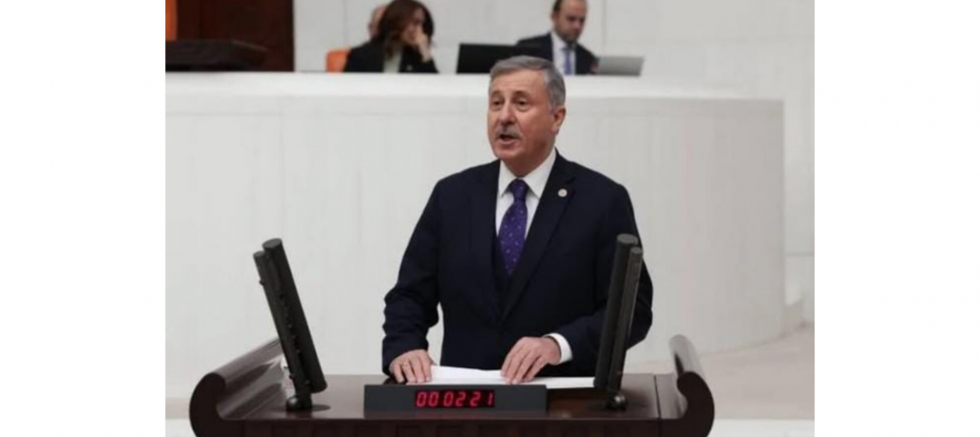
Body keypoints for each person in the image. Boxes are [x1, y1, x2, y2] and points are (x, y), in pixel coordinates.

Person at [382, 56, 653, 384]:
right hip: (466, 398)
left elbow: (632, 310)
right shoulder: (452, 196)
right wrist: (404, 346)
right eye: (496, 103)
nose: (504, 117)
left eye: (521, 104)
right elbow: (410, 295)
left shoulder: (602, 201)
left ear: (557, 117)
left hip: (562, 399)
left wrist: (559, 345)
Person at [344, 0, 437, 73]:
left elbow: (434, 88)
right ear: (398, 22)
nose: (420, 30)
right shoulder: (361, 55)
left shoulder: (417, 58)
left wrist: (425, 52)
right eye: (415, 23)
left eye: (422, 24)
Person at [517, 0, 597, 76]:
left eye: (582, 20)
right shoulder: (528, 50)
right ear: (554, 17)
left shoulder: (588, 59)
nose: (577, 26)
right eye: (571, 19)